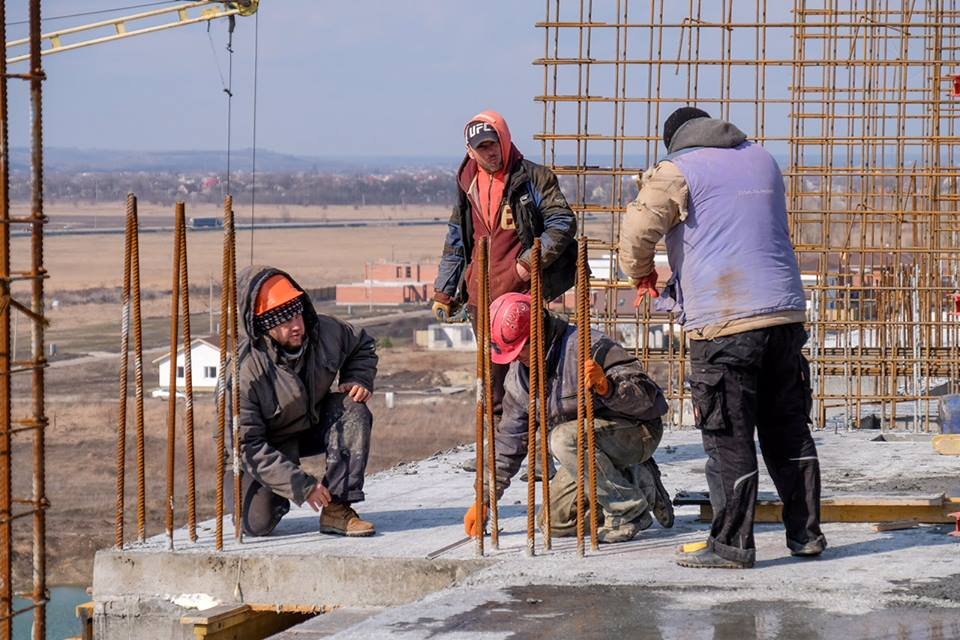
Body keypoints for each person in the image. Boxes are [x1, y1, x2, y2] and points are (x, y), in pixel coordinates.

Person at [618, 107, 826, 568]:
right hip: (785, 315)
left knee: (728, 435)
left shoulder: (677, 169)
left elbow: (635, 234)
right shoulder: (763, 159)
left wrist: (642, 274)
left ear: (675, 141)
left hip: (725, 320)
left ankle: (732, 546)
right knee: (788, 430)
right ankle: (806, 535)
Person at [463, 292, 674, 543]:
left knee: (562, 439)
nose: (516, 358)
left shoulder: (588, 347)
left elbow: (651, 402)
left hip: (636, 434)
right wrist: (485, 499)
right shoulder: (520, 379)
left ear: (537, 335)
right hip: (587, 452)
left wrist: (609, 388)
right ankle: (638, 482)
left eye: (519, 350)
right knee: (553, 523)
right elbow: (510, 439)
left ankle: (628, 511)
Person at [432, 109, 577, 416]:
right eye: (482, 147)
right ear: (470, 151)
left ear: (505, 139)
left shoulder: (532, 178)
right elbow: (457, 238)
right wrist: (444, 291)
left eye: (494, 143)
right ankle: (499, 441)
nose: (491, 152)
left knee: (532, 374)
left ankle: (537, 437)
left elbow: (562, 222)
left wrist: (526, 265)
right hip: (481, 296)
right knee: (492, 382)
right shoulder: (468, 182)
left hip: (521, 294)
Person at [232, 266, 378, 537]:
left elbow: (362, 344)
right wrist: (301, 485)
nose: (297, 326)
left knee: (353, 410)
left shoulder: (326, 332)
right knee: (255, 524)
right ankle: (275, 495)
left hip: (311, 423)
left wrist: (358, 377)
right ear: (264, 325)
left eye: (297, 314)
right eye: (284, 321)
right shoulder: (244, 372)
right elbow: (247, 444)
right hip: (267, 445)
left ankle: (338, 508)